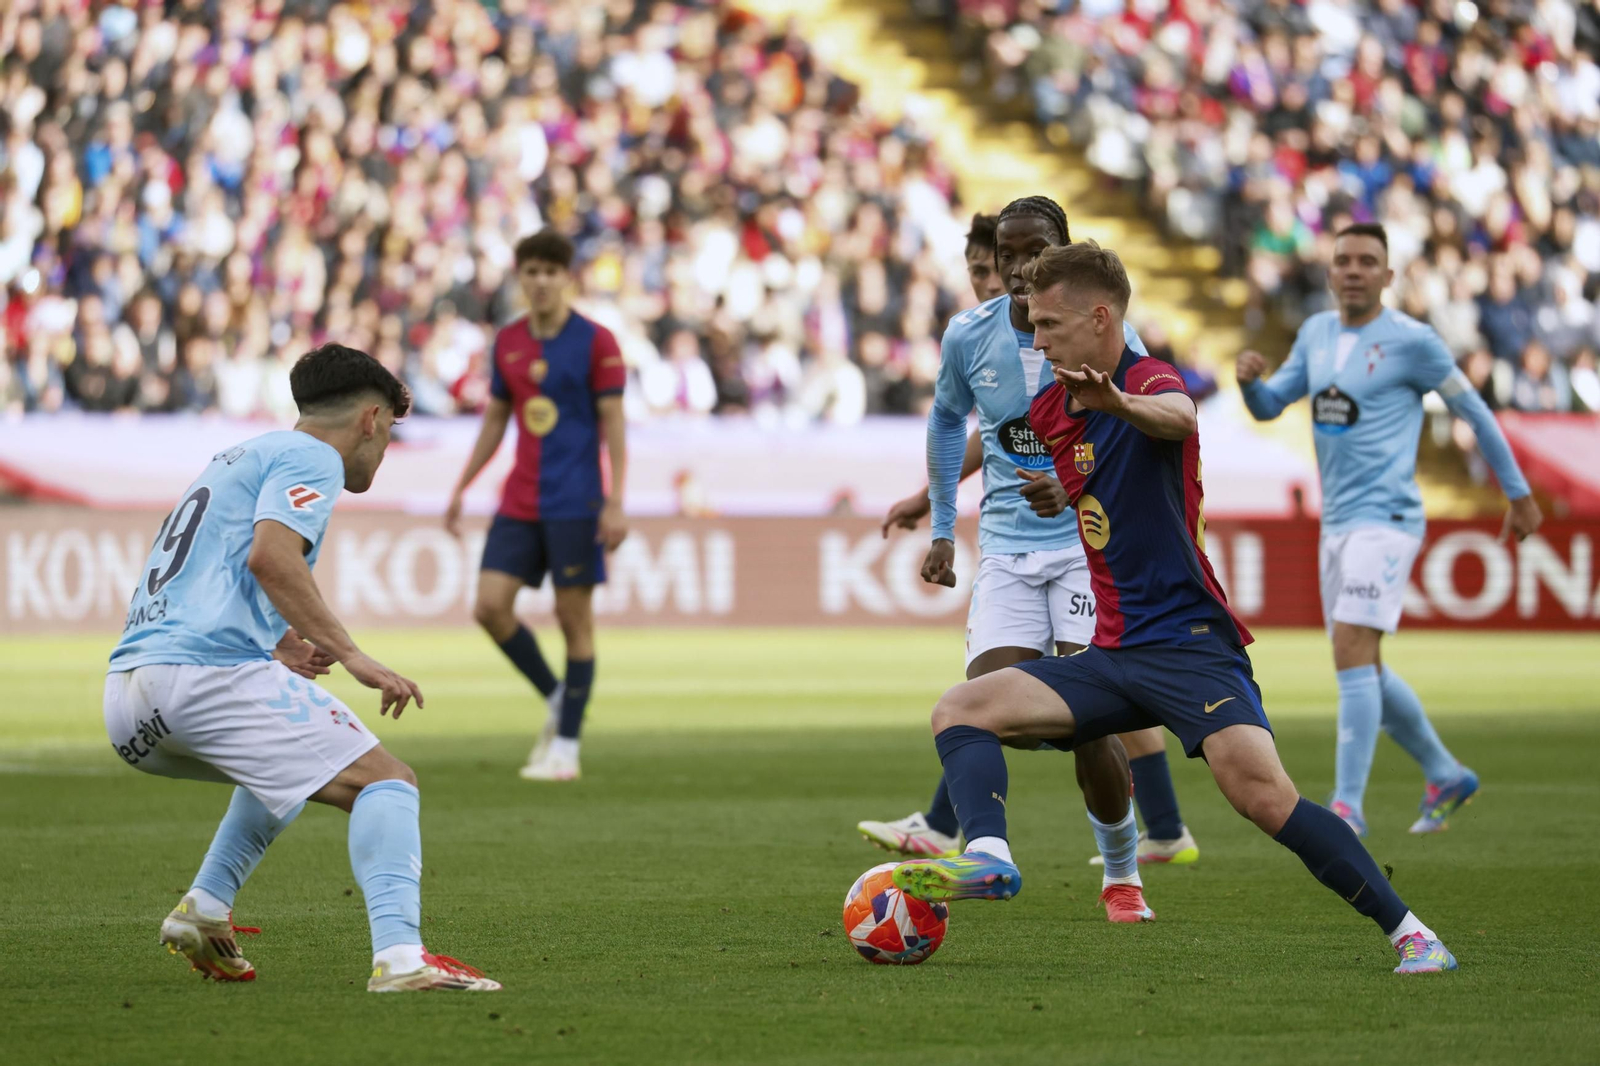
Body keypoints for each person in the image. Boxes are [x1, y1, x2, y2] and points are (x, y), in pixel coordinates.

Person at [890, 242, 1458, 974]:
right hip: (1112, 652)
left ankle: (1412, 933)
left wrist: (1120, 404)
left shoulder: (1146, 376)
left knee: (1265, 799)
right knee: (960, 708)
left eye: (1050, 324)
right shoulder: (1051, 404)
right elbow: (1078, 469)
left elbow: (1179, 418)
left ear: (1100, 318)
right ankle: (990, 857)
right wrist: (1039, 491)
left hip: (1190, 646)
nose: (1036, 339)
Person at [104, 344, 500, 992]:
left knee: (290, 768)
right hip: (202, 677)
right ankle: (402, 958)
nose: (383, 451)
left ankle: (205, 906)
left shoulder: (238, 456)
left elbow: (212, 567)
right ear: (371, 419)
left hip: (130, 697)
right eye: (390, 433)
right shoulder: (314, 457)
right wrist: (352, 654)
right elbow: (271, 557)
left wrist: (278, 638)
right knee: (386, 782)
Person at [859, 196, 1191, 928]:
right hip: (1007, 550)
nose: (1015, 267)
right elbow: (948, 421)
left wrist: (1075, 483)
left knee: (1091, 721)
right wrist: (941, 527)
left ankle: (1122, 876)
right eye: (1004, 255)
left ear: (1061, 251)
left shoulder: (1100, 334)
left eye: (1032, 251)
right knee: (984, 704)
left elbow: (1136, 428)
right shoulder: (968, 335)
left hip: (1085, 549)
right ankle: (989, 854)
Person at [1236, 223, 1541, 835]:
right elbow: (1271, 407)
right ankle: (1446, 773)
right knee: (1363, 664)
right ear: (1330, 272)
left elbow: (1474, 411)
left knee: (1352, 650)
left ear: (1388, 275)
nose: (1353, 270)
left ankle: (1346, 807)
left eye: (1367, 261)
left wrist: (1519, 494)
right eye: (1344, 260)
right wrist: (1250, 383)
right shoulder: (1316, 333)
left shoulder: (1413, 341)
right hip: (1338, 523)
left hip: (1388, 518)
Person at [445, 230, 629, 782]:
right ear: (520, 277)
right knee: (489, 606)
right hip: (520, 498)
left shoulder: (597, 342)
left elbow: (614, 425)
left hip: (577, 500)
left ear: (567, 277)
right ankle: (558, 699)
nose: (542, 280)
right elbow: (496, 419)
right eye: (532, 271)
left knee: (574, 621)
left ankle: (566, 748)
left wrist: (616, 500)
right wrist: (462, 485)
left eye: (552, 270)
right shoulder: (508, 341)